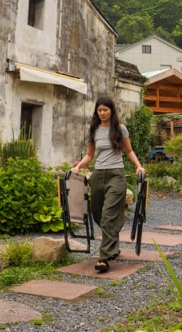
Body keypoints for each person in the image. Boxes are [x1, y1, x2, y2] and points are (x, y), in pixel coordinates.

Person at [72, 96, 145, 273]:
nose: (103, 113)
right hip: (98, 175)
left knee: (108, 214)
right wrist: (79, 166)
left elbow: (128, 150)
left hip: (116, 174)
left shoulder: (120, 129)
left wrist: (138, 166)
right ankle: (114, 246)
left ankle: (103, 258)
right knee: (97, 213)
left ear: (111, 110)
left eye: (106, 110)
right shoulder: (94, 130)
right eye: (100, 110)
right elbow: (90, 155)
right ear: (96, 112)